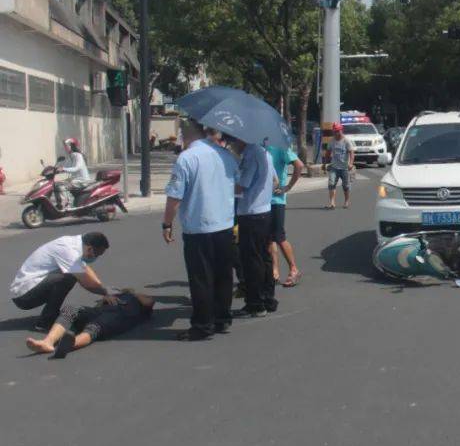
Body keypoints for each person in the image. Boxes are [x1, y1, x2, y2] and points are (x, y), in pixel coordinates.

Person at [163, 120, 238, 341]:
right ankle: (222, 318)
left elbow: (174, 196)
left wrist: (167, 223)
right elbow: (237, 186)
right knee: (223, 275)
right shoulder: (226, 155)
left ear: (185, 134)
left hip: (199, 228)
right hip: (224, 224)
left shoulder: (187, 158)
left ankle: (203, 325)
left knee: (201, 278)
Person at [10, 232, 116, 330]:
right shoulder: (68, 251)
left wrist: (104, 289)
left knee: (72, 274)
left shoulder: (76, 245)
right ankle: (46, 322)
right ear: (90, 249)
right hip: (24, 296)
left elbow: (86, 270)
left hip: (30, 289)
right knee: (69, 277)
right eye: (97, 254)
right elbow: (85, 282)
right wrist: (105, 292)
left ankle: (50, 315)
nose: (96, 257)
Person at [25, 290, 155, 359]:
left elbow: (149, 302)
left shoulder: (137, 302)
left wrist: (133, 293)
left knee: (95, 326)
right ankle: (48, 342)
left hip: (121, 316)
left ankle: (70, 345)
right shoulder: (115, 296)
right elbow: (97, 307)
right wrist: (105, 299)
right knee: (72, 308)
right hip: (101, 311)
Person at [233, 138, 277, 318]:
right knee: (264, 257)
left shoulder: (251, 153)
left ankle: (255, 303)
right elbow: (275, 181)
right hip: (264, 210)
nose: (232, 143)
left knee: (251, 260)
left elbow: (242, 185)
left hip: (251, 212)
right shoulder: (266, 153)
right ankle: (268, 298)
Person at [268, 144, 305, 287]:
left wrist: (288, 187)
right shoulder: (259, 145)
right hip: (262, 200)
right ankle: (274, 271)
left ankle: (294, 269)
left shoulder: (279, 146)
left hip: (276, 199)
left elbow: (299, 165)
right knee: (268, 238)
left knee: (279, 236)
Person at [55, 138, 92, 210]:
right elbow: (66, 166)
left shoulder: (78, 155)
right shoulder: (71, 156)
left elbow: (76, 168)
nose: (65, 148)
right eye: (65, 146)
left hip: (83, 180)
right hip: (75, 180)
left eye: (67, 145)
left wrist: (63, 169)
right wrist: (56, 169)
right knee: (56, 185)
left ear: (72, 146)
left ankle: (67, 206)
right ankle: (60, 204)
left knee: (62, 186)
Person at [325, 123, 353, 210]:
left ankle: (346, 201)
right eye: (335, 131)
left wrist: (351, 163)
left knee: (346, 186)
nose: (336, 133)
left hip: (344, 168)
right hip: (334, 167)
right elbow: (328, 152)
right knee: (331, 184)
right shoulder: (332, 141)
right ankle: (332, 203)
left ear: (341, 130)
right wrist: (325, 163)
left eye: (338, 131)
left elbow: (351, 153)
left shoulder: (346, 141)